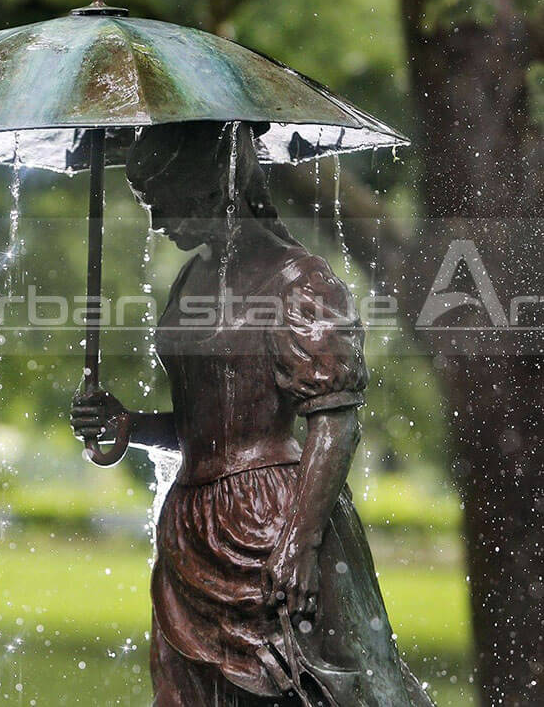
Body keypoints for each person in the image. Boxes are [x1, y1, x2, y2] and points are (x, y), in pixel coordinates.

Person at [71, 122, 434, 706]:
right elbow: (206, 431)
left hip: (275, 520)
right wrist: (131, 426)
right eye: (147, 204)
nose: (157, 220)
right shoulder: (190, 282)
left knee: (294, 687)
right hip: (192, 526)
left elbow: (334, 419)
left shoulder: (300, 281)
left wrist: (301, 540)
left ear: (214, 185)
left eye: (164, 201)